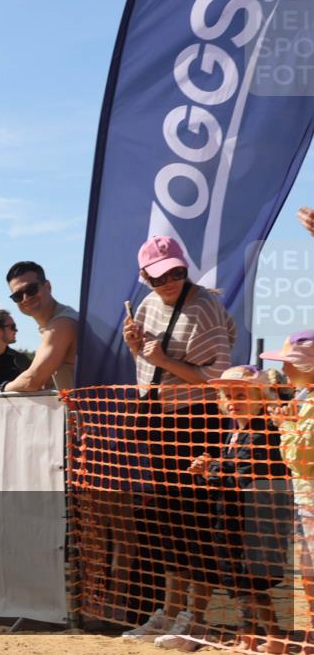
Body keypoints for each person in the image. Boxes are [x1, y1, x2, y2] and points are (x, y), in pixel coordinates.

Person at [120, 235, 235, 649]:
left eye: (177, 272)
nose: (169, 280)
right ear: (144, 277)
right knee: (170, 521)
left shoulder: (205, 307)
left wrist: (164, 361)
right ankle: (170, 611)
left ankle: (197, 620)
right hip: (162, 419)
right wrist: (135, 347)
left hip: (199, 420)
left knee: (196, 519)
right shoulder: (149, 305)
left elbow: (218, 377)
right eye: (159, 275)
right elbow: (149, 364)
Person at [188, 366, 290, 653]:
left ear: (260, 397)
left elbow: (246, 476)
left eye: (241, 395)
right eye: (228, 395)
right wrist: (209, 470)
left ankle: (274, 639)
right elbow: (231, 472)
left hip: (256, 520)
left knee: (253, 581)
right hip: (234, 515)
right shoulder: (238, 432)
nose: (233, 401)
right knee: (238, 581)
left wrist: (211, 470)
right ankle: (249, 637)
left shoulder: (263, 432)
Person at [261, 330, 314, 653]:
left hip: (308, 495)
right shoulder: (302, 398)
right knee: (307, 572)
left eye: (290, 365)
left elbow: (302, 457)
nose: (286, 371)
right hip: (304, 498)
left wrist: (285, 426)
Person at [2, 261, 78, 392]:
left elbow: (31, 381)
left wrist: (3, 388)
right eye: (18, 296)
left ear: (47, 286)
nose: (25, 298)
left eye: (31, 289)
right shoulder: (54, 325)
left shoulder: (62, 323)